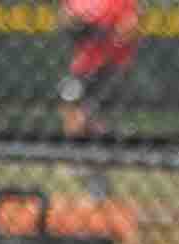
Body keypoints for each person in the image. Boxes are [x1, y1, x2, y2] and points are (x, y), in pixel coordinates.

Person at [58, 0, 138, 142]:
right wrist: (77, 25)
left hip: (110, 67)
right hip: (82, 66)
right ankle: (77, 153)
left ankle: (98, 138)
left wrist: (106, 32)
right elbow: (67, 18)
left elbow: (128, 28)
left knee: (88, 117)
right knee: (69, 107)